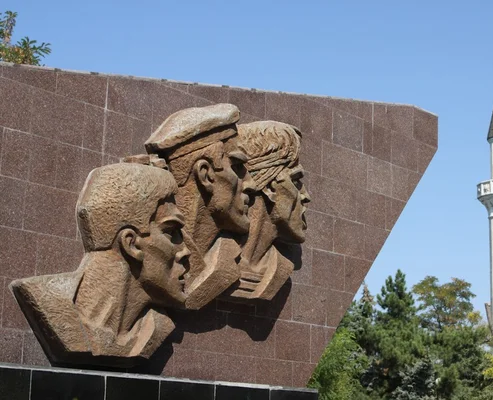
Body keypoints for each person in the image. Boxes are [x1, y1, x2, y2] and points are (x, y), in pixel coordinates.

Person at [10, 163, 190, 366]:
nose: (186, 251)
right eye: (171, 232)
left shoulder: (155, 329)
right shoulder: (50, 304)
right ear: (131, 244)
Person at [144, 104, 257, 309]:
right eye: (238, 167)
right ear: (206, 175)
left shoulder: (230, 257)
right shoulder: (150, 259)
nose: (251, 184)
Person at [228, 120, 311, 300]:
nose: (305, 196)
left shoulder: (280, 268)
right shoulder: (216, 262)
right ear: (270, 188)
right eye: (296, 181)